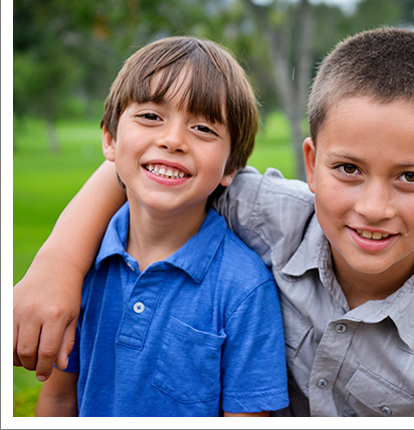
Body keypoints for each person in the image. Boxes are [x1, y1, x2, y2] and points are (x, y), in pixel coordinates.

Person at [15, 28, 414, 417]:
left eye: (410, 177)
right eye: (348, 169)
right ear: (311, 163)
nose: (374, 207)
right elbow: (146, 172)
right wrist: (58, 265)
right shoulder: (264, 212)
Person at [30, 36, 288, 417]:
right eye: (151, 116)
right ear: (110, 139)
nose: (173, 140)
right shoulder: (83, 263)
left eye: (203, 128)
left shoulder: (244, 289)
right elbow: (59, 399)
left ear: (231, 167)